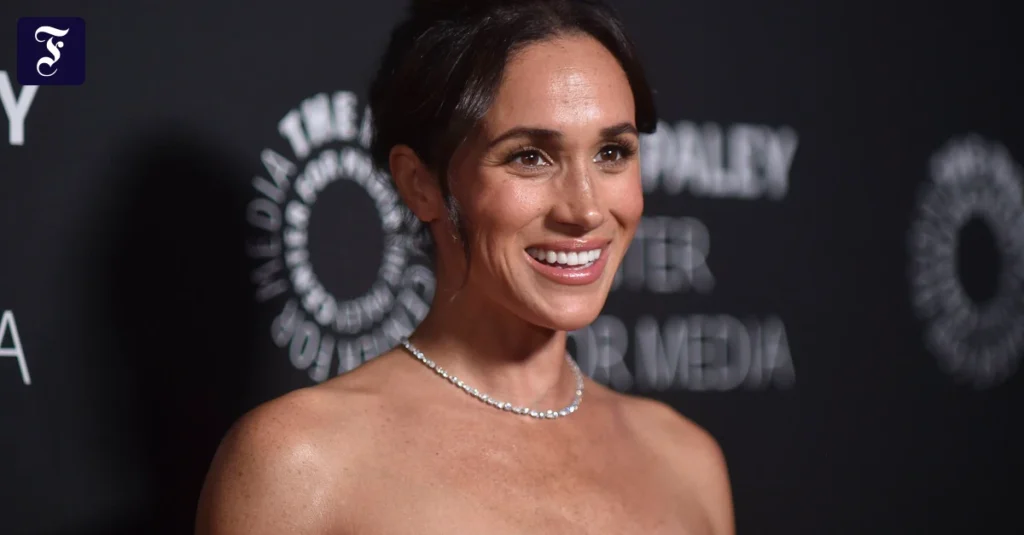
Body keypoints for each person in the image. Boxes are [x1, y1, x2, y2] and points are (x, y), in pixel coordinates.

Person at [195, 0, 734, 533]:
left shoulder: (687, 461)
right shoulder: (299, 465)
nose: (587, 210)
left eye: (612, 152)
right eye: (529, 156)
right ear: (419, 184)